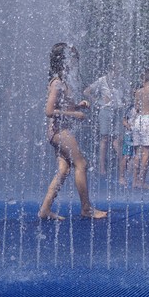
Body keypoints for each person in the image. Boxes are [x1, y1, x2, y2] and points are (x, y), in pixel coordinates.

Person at [39, 43, 107, 220]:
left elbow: (62, 105)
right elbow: (48, 111)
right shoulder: (57, 83)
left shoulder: (61, 82)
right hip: (59, 131)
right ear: (63, 61)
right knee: (81, 164)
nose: (74, 63)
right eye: (72, 58)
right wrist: (74, 113)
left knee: (64, 170)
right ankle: (86, 208)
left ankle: (45, 210)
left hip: (57, 130)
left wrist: (78, 105)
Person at [84, 61, 128, 179]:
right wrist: (98, 101)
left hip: (118, 110)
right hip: (106, 110)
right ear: (110, 70)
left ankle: (122, 167)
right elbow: (86, 91)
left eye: (118, 70)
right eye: (115, 70)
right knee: (104, 138)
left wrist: (124, 102)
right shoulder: (102, 80)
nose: (117, 72)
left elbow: (128, 94)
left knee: (117, 140)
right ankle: (102, 167)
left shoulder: (122, 81)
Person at [131, 68, 149, 189]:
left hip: (138, 120)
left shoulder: (138, 92)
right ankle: (142, 181)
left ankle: (134, 181)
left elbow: (136, 108)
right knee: (146, 153)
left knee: (137, 152)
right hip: (148, 119)